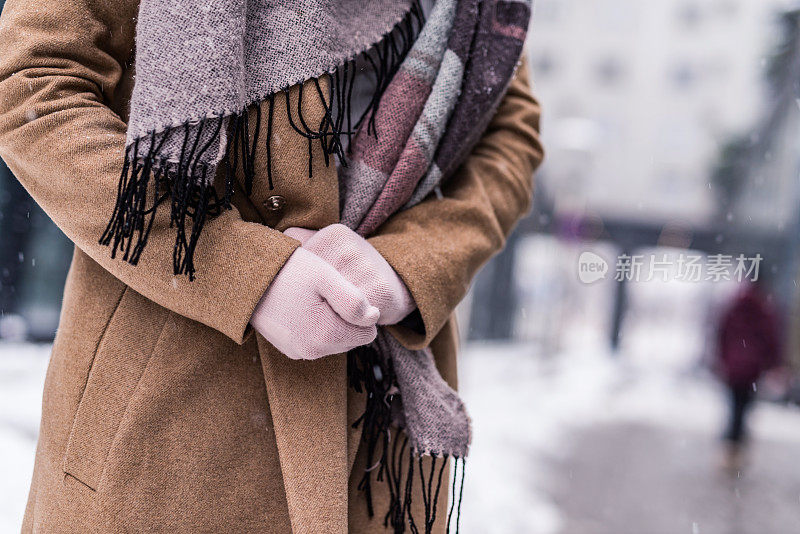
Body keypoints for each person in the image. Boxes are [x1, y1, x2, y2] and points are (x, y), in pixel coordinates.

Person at [0, 0, 543, 531]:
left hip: (379, 421)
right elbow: (33, 84)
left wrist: (408, 266)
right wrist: (243, 271)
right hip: (170, 415)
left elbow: (508, 137)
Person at [715, 281, 781, 471]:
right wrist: (772, 363)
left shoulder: (735, 305)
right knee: (743, 409)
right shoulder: (765, 309)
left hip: (734, 368)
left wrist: (723, 358)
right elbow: (771, 339)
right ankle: (737, 449)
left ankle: (730, 448)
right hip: (752, 369)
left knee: (734, 408)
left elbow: (722, 333)